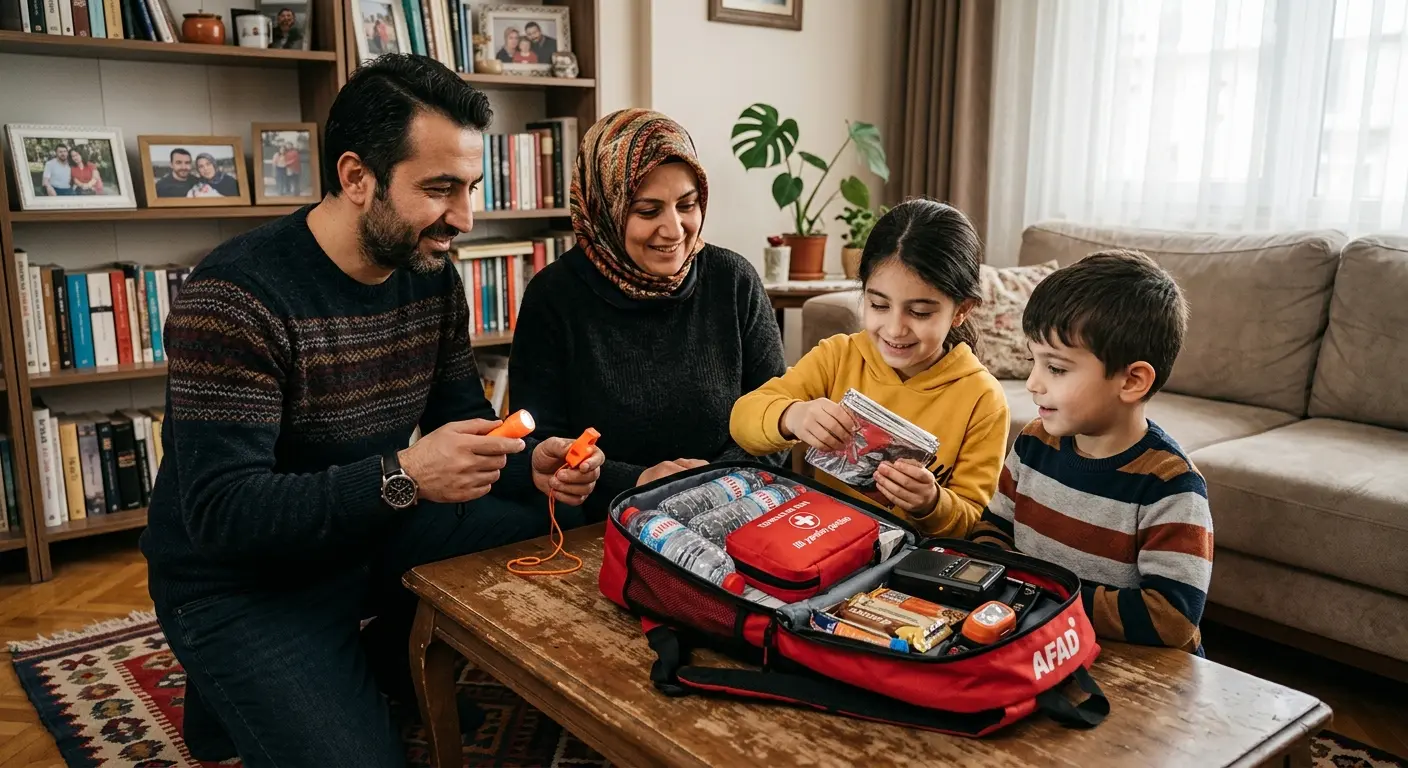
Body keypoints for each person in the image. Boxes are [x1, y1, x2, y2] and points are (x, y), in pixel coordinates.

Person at [139, 53, 605, 767]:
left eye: (471, 188)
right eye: (440, 189)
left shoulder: (429, 275)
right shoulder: (234, 298)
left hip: (367, 530)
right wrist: (408, 475)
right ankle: (244, 675)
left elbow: (463, 420)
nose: (465, 218)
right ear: (356, 177)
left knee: (563, 521)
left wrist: (528, 464)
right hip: (243, 577)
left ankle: (382, 652)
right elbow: (223, 515)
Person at [507, 108, 787, 522]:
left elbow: (776, 417)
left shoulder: (733, 281)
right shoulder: (554, 296)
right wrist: (638, 483)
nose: (674, 230)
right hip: (602, 521)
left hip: (735, 508)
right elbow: (542, 448)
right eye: (648, 211)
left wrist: (714, 484)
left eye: (687, 205)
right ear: (606, 208)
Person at [967, 249, 1214, 655]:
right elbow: (993, 530)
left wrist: (1037, 597)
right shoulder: (1032, 444)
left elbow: (1171, 617)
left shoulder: (1171, 487)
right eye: (1034, 361)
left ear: (1132, 381)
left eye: (1057, 369)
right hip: (1043, 642)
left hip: (1141, 674)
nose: (1033, 382)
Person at [730, 199, 1009, 537]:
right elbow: (743, 419)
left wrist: (931, 503)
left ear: (962, 310)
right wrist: (792, 416)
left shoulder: (983, 399)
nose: (894, 329)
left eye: (920, 312)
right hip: (821, 536)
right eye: (878, 305)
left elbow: (969, 519)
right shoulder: (838, 357)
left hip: (909, 562)